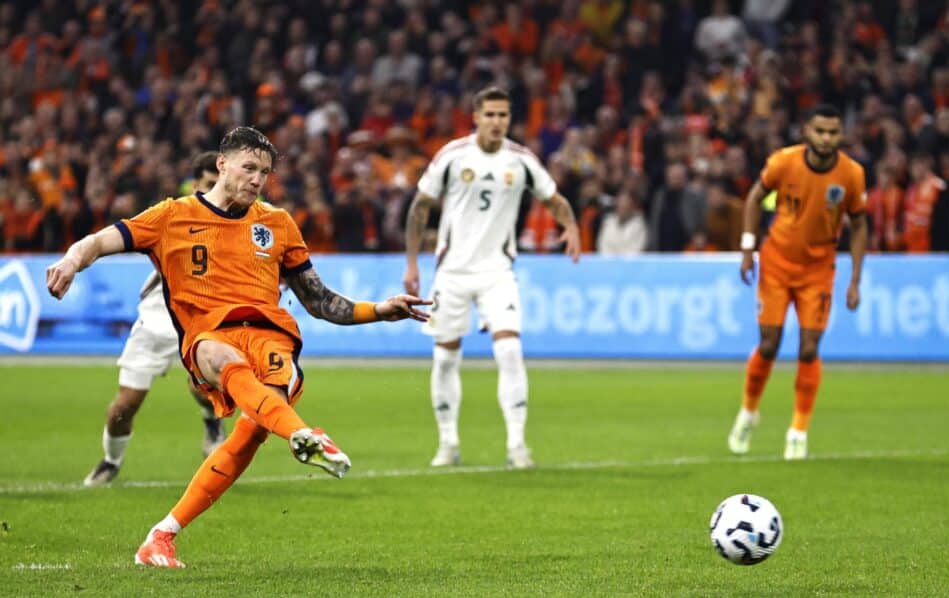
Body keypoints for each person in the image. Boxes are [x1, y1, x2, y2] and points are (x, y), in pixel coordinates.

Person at [46, 126, 429, 568]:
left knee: (251, 434)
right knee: (218, 357)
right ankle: (304, 434)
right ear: (222, 165)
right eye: (250, 168)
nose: (257, 179)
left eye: (265, 172)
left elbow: (320, 301)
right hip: (209, 335)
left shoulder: (277, 223)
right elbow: (100, 241)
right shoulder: (172, 216)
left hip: (270, 338)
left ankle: (161, 536)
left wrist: (379, 309)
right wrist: (72, 260)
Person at [403, 86, 581, 469]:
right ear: (476, 117)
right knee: (446, 359)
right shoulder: (453, 156)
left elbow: (554, 199)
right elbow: (420, 207)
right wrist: (413, 264)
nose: (497, 122)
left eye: (503, 115)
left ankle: (517, 444)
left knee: (510, 351)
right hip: (451, 272)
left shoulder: (521, 160)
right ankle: (448, 443)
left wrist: (572, 227)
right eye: (491, 115)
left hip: (497, 273)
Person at [727, 104, 868, 460]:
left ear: (841, 134)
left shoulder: (851, 174)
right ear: (807, 130)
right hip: (776, 263)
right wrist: (748, 249)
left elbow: (860, 223)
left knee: (809, 348)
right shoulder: (783, 162)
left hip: (818, 269)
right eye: (820, 130)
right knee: (770, 344)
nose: (826, 138)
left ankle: (798, 432)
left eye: (833, 132)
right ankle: (748, 412)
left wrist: (855, 279)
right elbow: (755, 197)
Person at [83, 152, 227, 487]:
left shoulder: (236, 219)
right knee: (124, 407)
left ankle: (211, 421)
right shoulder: (174, 214)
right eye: (207, 185)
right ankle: (111, 461)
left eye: (217, 184)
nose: (212, 191)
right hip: (157, 322)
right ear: (194, 185)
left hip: (202, 321)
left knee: (206, 385)